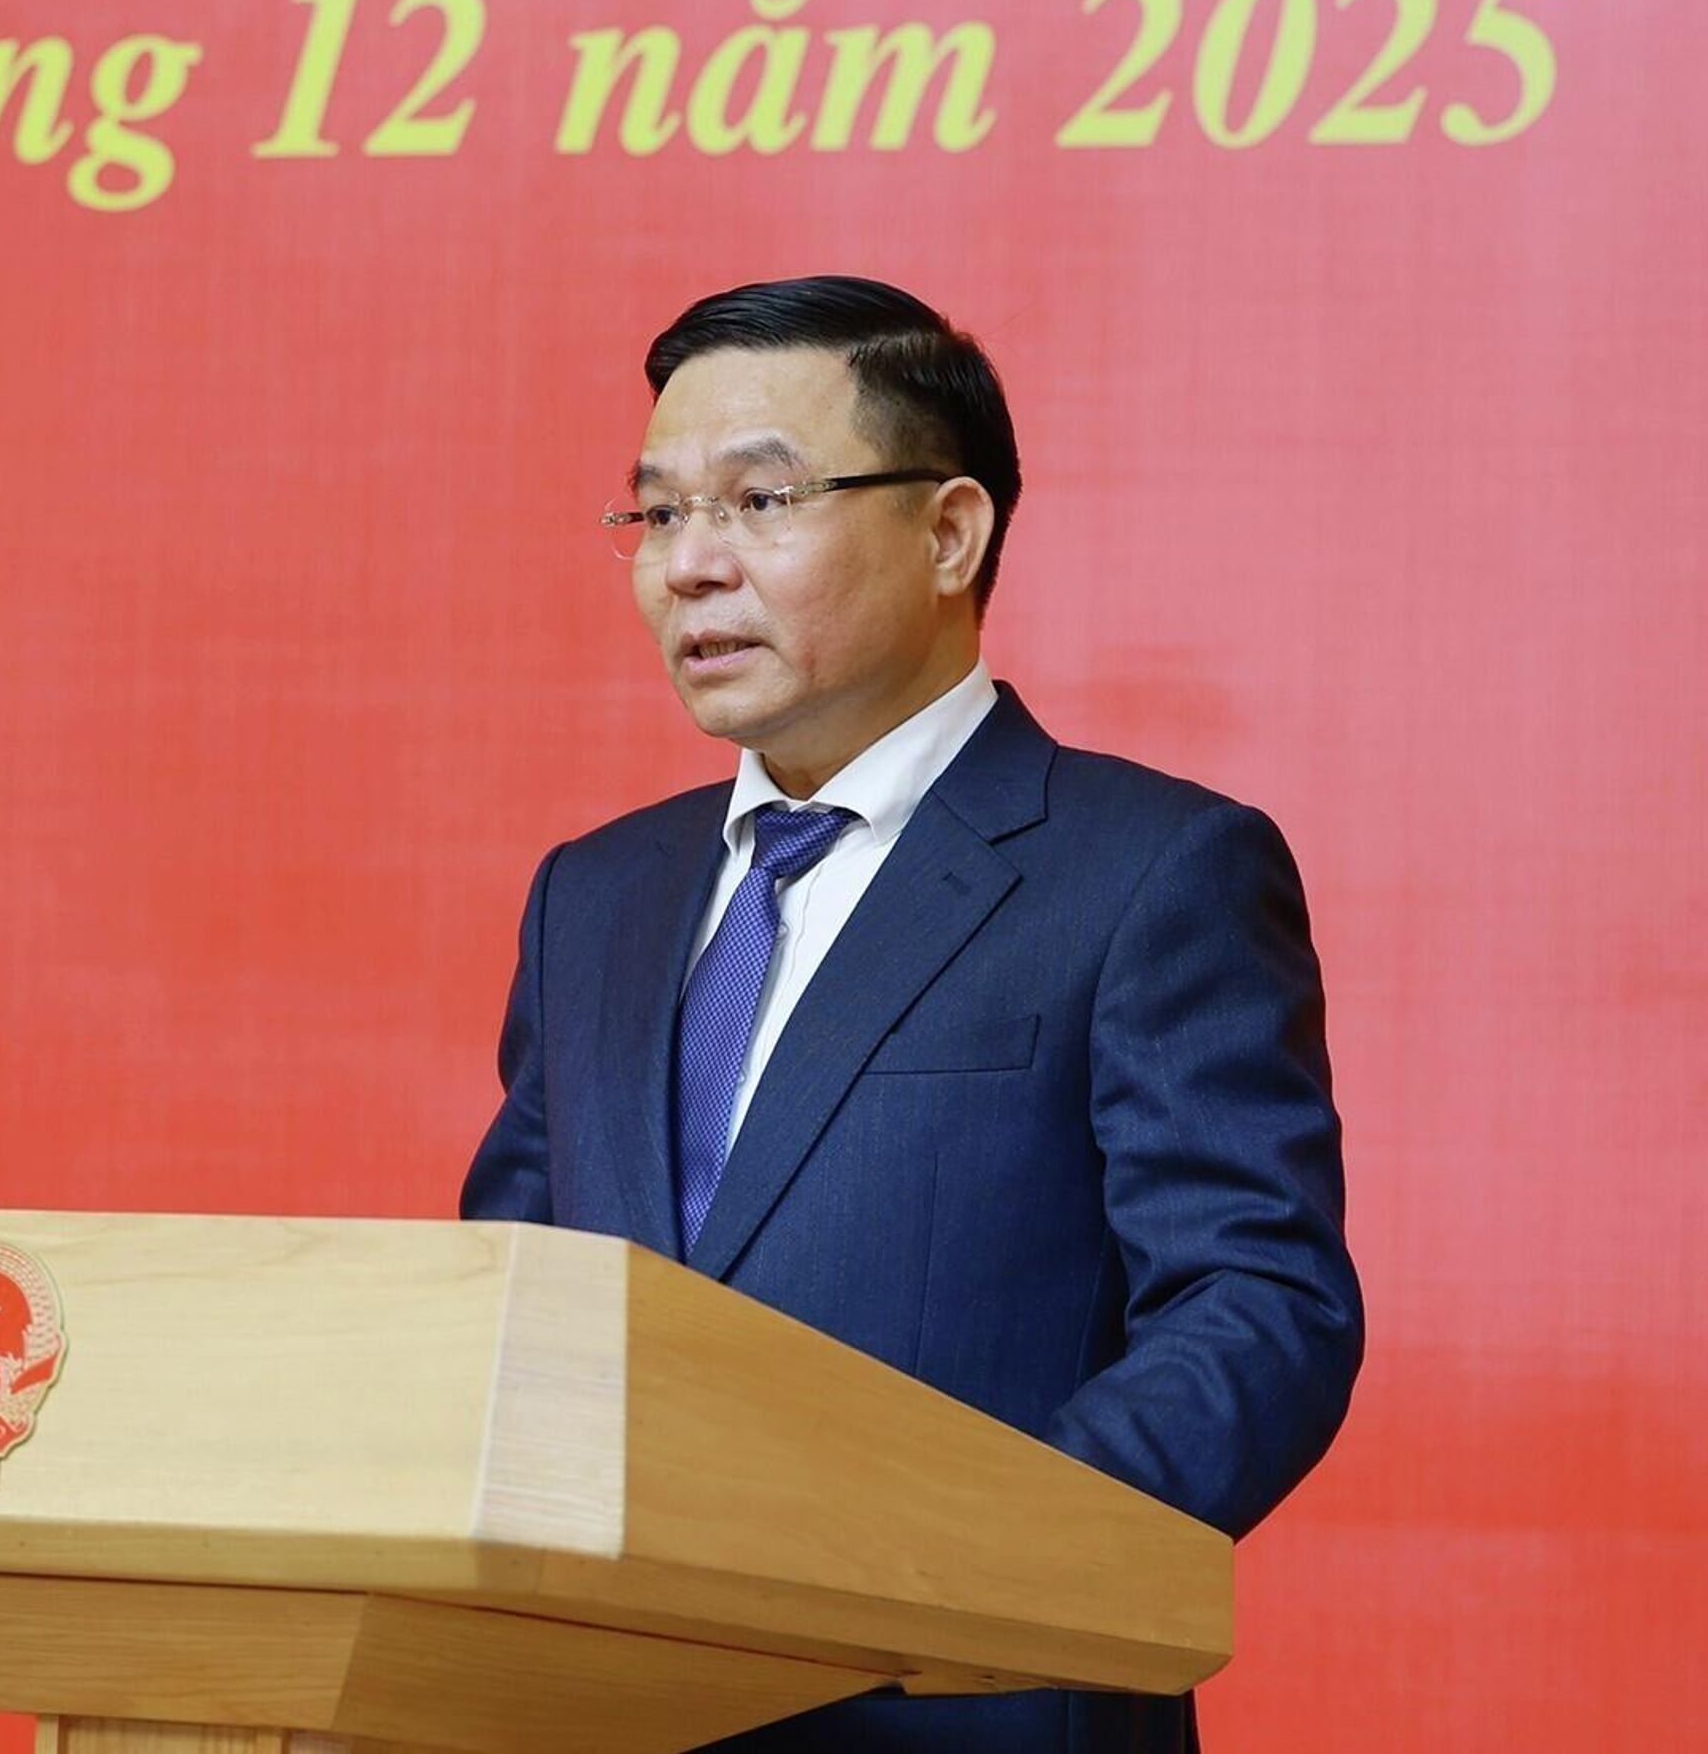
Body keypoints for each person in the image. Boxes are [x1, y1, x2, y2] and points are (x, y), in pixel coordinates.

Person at [460, 275, 1364, 1753]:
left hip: (968, 1705)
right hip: (605, 1715)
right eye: (659, 514)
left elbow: (1258, 1307)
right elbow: (512, 1297)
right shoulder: (595, 895)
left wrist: (963, 1568)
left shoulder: (1149, 871)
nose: (692, 565)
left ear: (950, 532)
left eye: (760, 502)